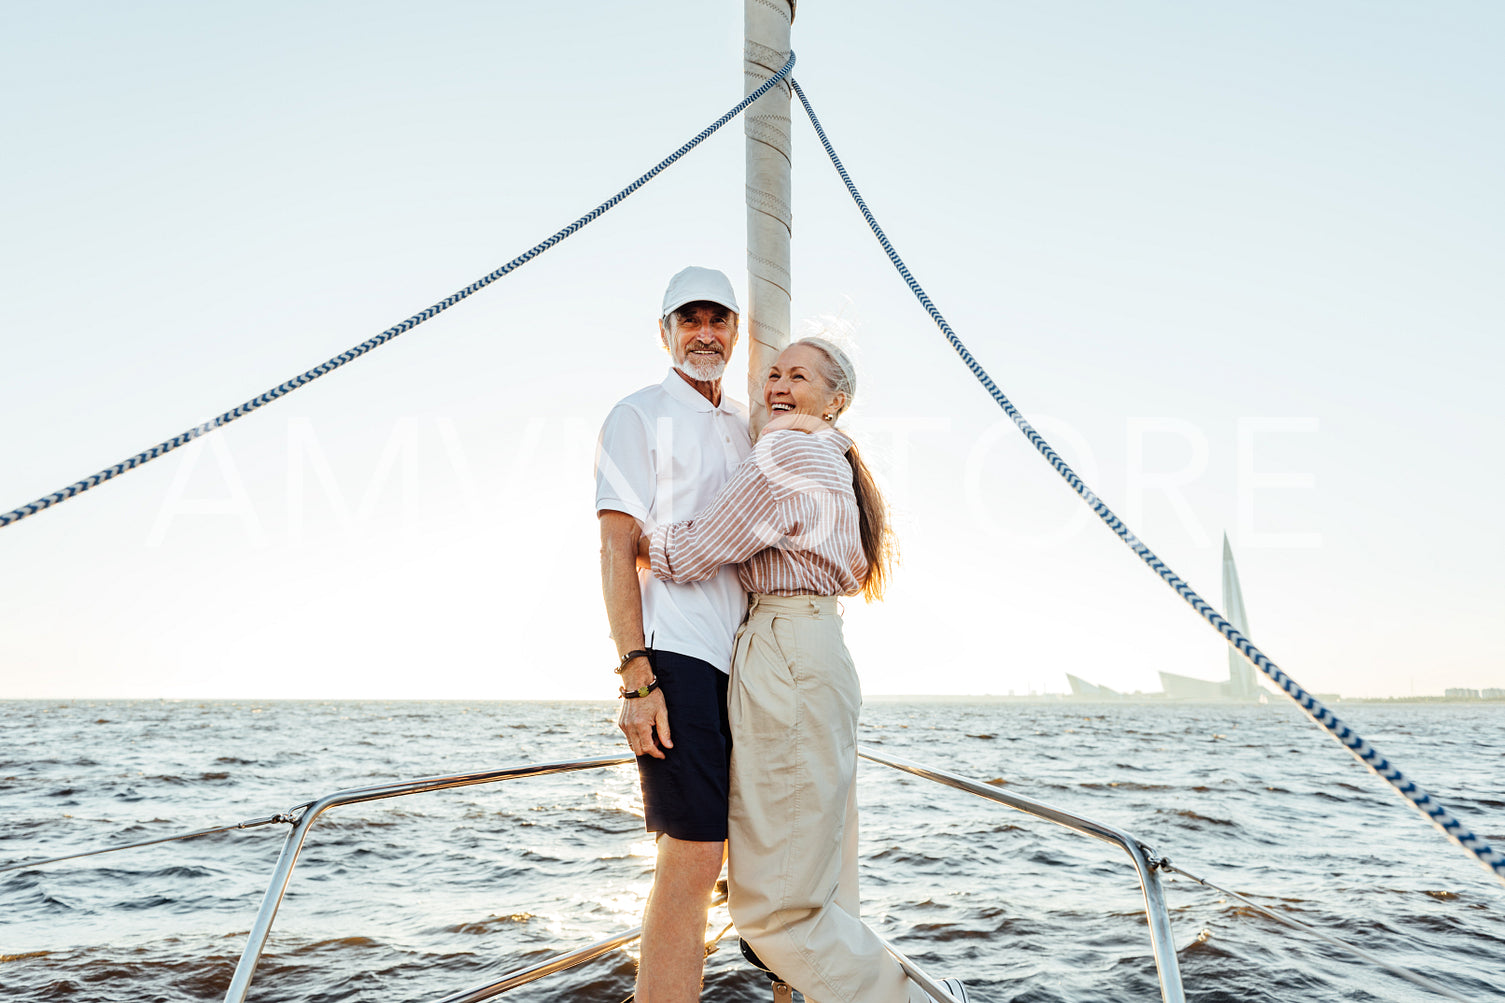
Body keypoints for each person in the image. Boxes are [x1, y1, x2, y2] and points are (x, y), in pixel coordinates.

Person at [642, 337, 970, 1003]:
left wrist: (636, 541)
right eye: (772, 372)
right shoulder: (833, 457)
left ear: (835, 398)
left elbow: (701, 547)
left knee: (772, 912)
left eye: (798, 374)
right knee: (820, 880)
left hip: (785, 646)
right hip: (817, 650)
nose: (777, 384)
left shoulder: (787, 448)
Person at [594, 266, 752, 1003]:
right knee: (691, 857)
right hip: (676, 656)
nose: (704, 332)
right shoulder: (637, 414)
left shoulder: (750, 424)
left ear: (735, 330)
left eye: (717, 318)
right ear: (664, 332)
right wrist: (635, 675)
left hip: (748, 663)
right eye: (687, 319)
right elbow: (614, 544)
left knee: (739, 856)